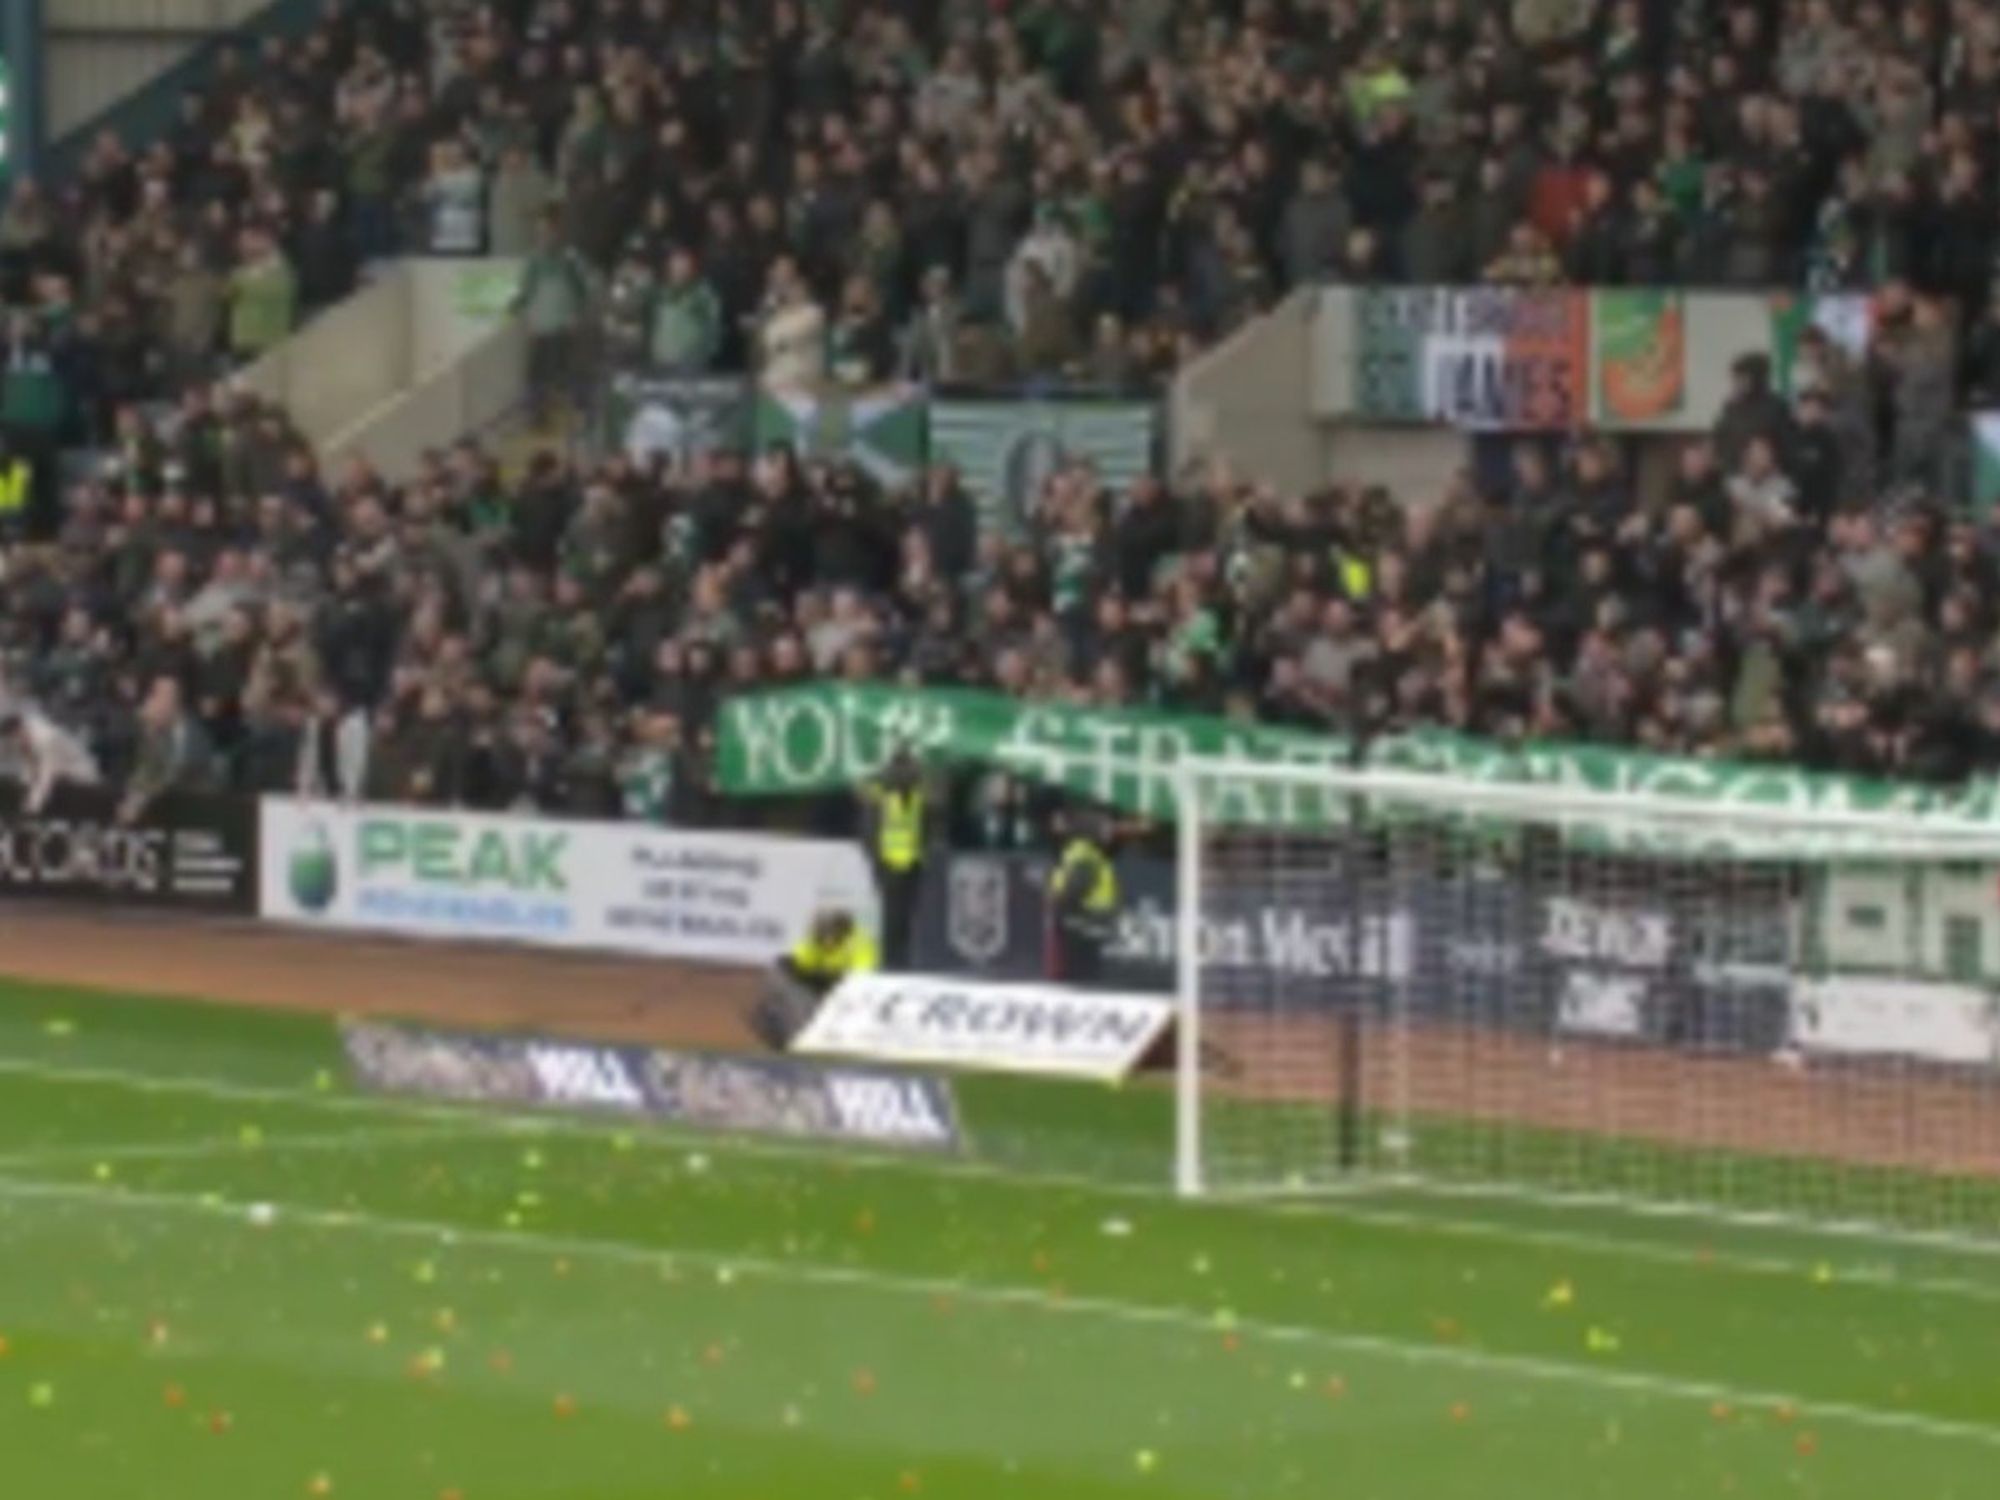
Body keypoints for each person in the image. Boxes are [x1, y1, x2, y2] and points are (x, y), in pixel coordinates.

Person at [751, 908, 879, 1049]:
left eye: (829, 934)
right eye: (821, 933)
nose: (825, 939)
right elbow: (799, 962)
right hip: (819, 986)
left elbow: (859, 978)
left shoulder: (860, 943)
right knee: (778, 972)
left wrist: (825, 976)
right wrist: (795, 967)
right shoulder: (815, 939)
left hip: (849, 992)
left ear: (842, 932)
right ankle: (793, 1033)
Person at [857, 745, 928, 969]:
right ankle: (890, 963)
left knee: (911, 918)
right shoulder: (880, 795)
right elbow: (869, 831)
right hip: (889, 864)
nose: (909, 774)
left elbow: (925, 826)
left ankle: (905, 962)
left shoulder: (918, 795)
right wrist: (877, 862)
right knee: (891, 919)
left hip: (913, 864)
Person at [1046, 810, 1119, 985]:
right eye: (1104, 829)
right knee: (1084, 978)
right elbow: (1074, 890)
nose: (1109, 834)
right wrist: (1065, 914)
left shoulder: (1079, 853)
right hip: (1084, 924)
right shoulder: (1086, 856)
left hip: (1080, 923)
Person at [0, 707, 101, 813]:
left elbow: (47, 774)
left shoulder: (47, 738)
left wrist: (31, 806)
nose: (13, 744)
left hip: (82, 778)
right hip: (58, 778)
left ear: (20, 731)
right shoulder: (25, 742)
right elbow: (29, 771)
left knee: (44, 792)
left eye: (13, 739)